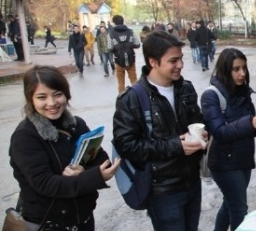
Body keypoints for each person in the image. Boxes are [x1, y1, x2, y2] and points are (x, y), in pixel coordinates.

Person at [112, 31, 206, 231]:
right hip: (163, 192)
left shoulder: (186, 89)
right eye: (173, 60)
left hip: (192, 183)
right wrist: (175, 146)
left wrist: (203, 133)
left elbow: (197, 120)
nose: (180, 65)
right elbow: (127, 146)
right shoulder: (132, 98)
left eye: (181, 59)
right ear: (153, 62)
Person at [8, 65, 120, 230]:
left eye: (57, 94)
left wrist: (83, 170)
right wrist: (93, 177)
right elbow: (45, 184)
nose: (52, 103)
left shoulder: (76, 125)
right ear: (30, 98)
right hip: (48, 224)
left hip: (84, 220)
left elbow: (101, 159)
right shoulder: (25, 137)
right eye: (42, 97)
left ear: (66, 95)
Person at [201, 48, 256, 231]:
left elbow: (245, 128)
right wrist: (250, 123)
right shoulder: (211, 95)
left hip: (243, 159)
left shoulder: (242, 92)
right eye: (236, 69)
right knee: (239, 210)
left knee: (229, 204)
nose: (242, 73)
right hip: (224, 163)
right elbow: (220, 132)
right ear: (225, 70)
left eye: (244, 68)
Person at [108, 15, 141, 93]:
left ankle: (122, 99)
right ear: (123, 21)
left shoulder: (111, 33)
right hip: (131, 59)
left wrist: (117, 48)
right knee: (134, 80)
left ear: (114, 23)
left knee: (121, 82)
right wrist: (129, 45)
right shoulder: (130, 31)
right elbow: (137, 44)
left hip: (118, 60)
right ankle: (138, 97)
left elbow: (109, 48)